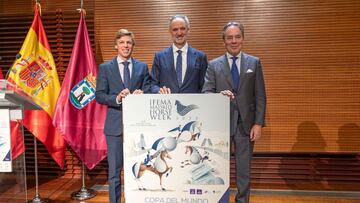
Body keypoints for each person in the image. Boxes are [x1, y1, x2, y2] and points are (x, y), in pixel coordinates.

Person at [202, 22, 266, 203]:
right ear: (224, 41)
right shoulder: (213, 65)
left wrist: (258, 123)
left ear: (243, 39)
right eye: (229, 38)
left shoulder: (254, 62)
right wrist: (218, 95)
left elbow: (260, 95)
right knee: (217, 167)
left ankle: (242, 200)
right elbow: (205, 92)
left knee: (244, 169)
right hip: (221, 124)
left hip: (246, 125)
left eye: (237, 36)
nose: (234, 41)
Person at [95, 29, 151, 203]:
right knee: (114, 172)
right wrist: (117, 98)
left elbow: (149, 89)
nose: (125, 46)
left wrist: (143, 93)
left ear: (133, 45)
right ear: (116, 45)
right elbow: (99, 95)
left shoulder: (142, 67)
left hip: (139, 126)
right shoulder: (105, 68)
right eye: (122, 42)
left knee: (139, 169)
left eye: (129, 42)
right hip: (115, 127)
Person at [150, 15, 208, 94]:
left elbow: (204, 86)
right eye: (175, 29)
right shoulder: (159, 57)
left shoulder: (200, 57)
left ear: (188, 30)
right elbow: (153, 84)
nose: (179, 33)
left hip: (193, 105)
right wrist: (158, 91)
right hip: (167, 104)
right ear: (170, 32)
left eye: (182, 28)